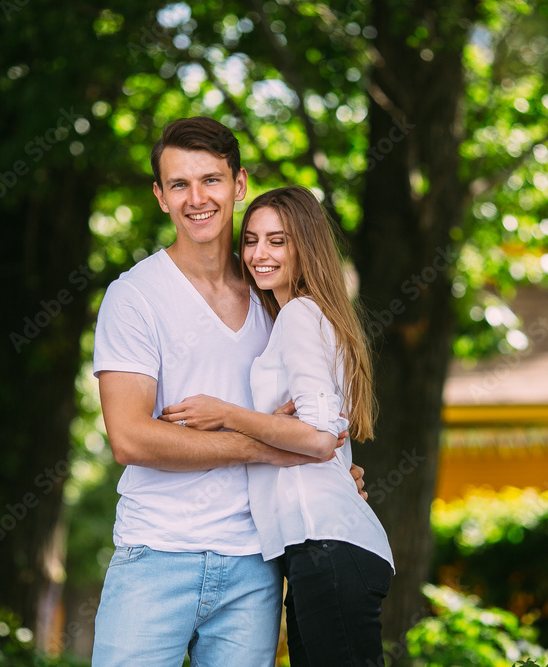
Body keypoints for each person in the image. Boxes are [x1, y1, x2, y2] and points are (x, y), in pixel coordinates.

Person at [90, 117, 364, 667]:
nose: (197, 199)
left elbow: (314, 419)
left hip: (255, 562)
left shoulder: (274, 295)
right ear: (160, 197)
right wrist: (272, 449)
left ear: (238, 185)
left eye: (211, 180)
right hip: (157, 554)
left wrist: (326, 468)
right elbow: (130, 439)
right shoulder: (134, 297)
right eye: (179, 184)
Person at [159, 185, 394, 666]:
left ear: (305, 246)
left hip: (327, 547)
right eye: (250, 240)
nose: (258, 254)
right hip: (317, 552)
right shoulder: (302, 317)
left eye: (277, 241)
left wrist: (225, 414)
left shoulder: (301, 316)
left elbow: (319, 439)